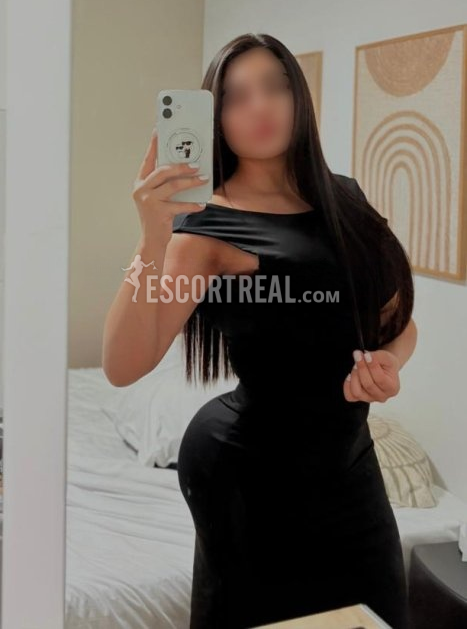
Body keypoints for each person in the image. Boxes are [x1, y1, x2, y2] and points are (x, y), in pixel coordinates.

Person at [103, 32, 417, 629]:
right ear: (216, 119)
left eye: (274, 87)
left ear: (299, 97)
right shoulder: (205, 226)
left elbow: (398, 322)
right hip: (247, 477)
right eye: (236, 97)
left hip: (350, 466)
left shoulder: (345, 198)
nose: (260, 107)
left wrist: (391, 363)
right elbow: (123, 365)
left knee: (379, 615)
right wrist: (151, 235)